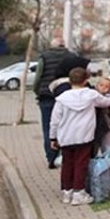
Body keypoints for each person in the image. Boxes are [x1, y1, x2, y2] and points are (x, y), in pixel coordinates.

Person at [50, 67, 110, 206]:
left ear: (70, 80)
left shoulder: (61, 99)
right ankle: (79, 192)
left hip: (66, 137)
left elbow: (54, 121)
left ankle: (67, 192)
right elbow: (107, 102)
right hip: (84, 137)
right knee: (81, 164)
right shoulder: (91, 95)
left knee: (67, 164)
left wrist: (53, 138)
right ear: (86, 80)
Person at [33, 39, 74, 169]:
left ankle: (51, 157)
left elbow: (38, 77)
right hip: (67, 96)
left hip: (46, 96)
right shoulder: (72, 56)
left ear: (52, 45)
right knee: (65, 127)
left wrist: (37, 91)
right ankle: (63, 157)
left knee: (48, 128)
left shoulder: (44, 57)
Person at [93, 75, 110, 152]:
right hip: (94, 125)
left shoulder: (108, 96)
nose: (103, 88)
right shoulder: (92, 95)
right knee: (94, 146)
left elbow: (106, 102)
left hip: (105, 123)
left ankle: (108, 158)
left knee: (107, 144)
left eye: (107, 87)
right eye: (101, 85)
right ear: (96, 85)